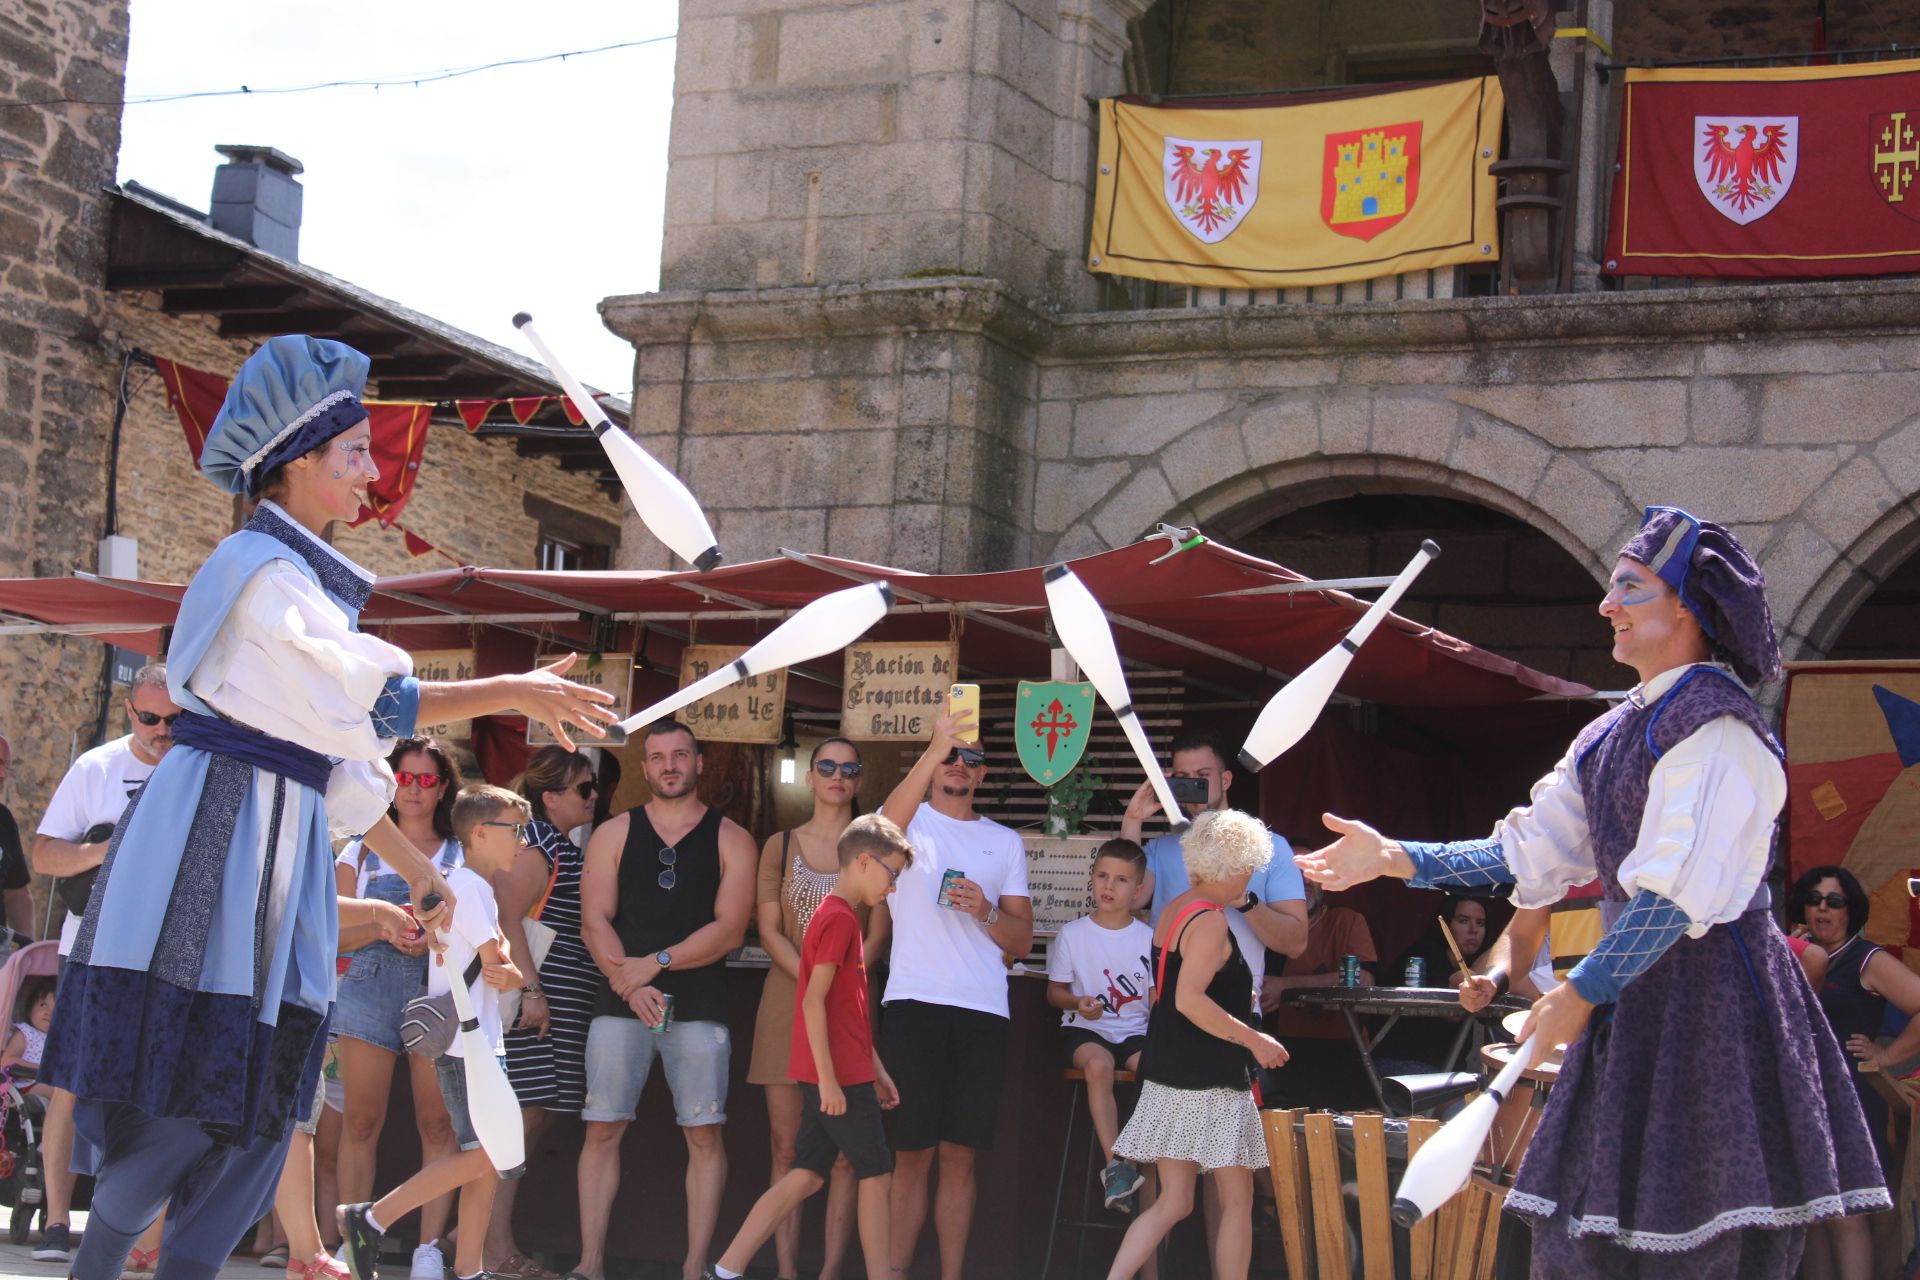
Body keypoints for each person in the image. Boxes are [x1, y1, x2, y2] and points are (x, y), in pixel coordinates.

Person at [38, 335, 616, 1280]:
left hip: (277, 829)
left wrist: (427, 875)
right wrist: (507, 686)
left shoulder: (299, 581)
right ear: (299, 461)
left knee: (265, 1094)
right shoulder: (258, 572)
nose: (371, 473)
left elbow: (344, 770)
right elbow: (369, 704)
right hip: (219, 833)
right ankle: (98, 1267)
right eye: (353, 452)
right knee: (196, 1085)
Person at [1296, 506, 1889, 1277]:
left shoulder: (1720, 733)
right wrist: (1396, 858)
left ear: (1688, 607)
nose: (1606, 604)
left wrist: (1583, 992)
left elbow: (1674, 900)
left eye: (1630, 588)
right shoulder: (1611, 735)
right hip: (1632, 1002)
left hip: (1713, 1007)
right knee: (1586, 1235)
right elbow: (1525, 850)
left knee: (1701, 1240)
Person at [577, 720, 756, 1280]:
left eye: (680, 755)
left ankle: (693, 1267)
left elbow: (729, 931)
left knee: (703, 1134)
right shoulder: (613, 833)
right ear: (645, 767)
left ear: (700, 763)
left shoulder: (732, 838)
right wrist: (631, 986)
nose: (669, 766)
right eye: (657, 757)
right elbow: (593, 922)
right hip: (619, 1006)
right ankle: (590, 1263)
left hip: (699, 1006)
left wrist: (654, 965)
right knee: (602, 1128)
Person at [705, 814, 912, 1280]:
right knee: (876, 1173)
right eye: (892, 874)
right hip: (837, 1076)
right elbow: (813, 1003)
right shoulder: (838, 920)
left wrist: (874, 1068)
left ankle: (726, 1268)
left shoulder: (838, 917)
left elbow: (849, 1011)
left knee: (807, 1174)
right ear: (863, 861)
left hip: (845, 1071)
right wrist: (828, 1082)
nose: (893, 887)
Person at [340, 786, 531, 1280]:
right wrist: (515, 975)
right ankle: (373, 1216)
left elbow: (499, 959)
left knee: (484, 1160)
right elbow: (499, 967)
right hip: (466, 1042)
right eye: (516, 831)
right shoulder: (467, 887)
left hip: (474, 1040)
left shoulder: (472, 887)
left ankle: (468, 1269)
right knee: (491, 1156)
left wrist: (508, 968)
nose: (522, 842)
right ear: (481, 833)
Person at [30, 662, 180, 1266]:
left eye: (175, 719)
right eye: (150, 718)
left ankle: (136, 1233)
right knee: (70, 1086)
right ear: (128, 712)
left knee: (150, 1096)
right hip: (89, 953)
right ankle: (57, 1218)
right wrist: (109, 848)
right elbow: (44, 855)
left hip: (167, 957)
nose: (162, 730)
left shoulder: (199, 770)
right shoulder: (96, 768)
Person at [877, 710, 1033, 1280]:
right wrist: (933, 747)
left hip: (983, 1009)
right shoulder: (907, 820)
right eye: (952, 757)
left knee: (960, 1157)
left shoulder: (1004, 841)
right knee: (910, 1154)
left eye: (972, 759)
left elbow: (1022, 940)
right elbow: (877, 837)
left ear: (985, 774)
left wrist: (985, 910)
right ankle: (892, 1272)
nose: (960, 767)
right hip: (914, 1003)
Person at [1103, 810, 1288, 1280]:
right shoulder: (1208, 921)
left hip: (1169, 1071)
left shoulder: (1177, 907)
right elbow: (1188, 1000)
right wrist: (1254, 1037)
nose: (1250, 875)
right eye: (1247, 864)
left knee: (1174, 1201)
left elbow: (1177, 991)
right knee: (1237, 1202)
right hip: (1211, 1080)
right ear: (1229, 865)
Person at [745, 738, 887, 1280]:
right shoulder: (780, 844)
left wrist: (839, 977)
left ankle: (829, 1271)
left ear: (858, 779)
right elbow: (767, 928)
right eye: (826, 765)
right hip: (788, 999)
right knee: (787, 1148)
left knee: (849, 1153)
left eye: (848, 768)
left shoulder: (871, 845)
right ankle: (785, 1271)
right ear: (808, 776)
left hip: (849, 1004)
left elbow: (878, 933)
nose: (837, 775)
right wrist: (813, 976)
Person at [333, 738, 467, 1280]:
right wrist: (386, 925)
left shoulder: (460, 853)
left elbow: (483, 930)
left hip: (435, 990)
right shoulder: (358, 852)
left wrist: (428, 939)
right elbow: (332, 931)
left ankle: (428, 1249)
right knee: (360, 1121)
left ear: (443, 787)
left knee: (437, 1123)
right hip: (367, 985)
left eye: (425, 779)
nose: (413, 790)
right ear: (390, 786)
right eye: (404, 779)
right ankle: (352, 1245)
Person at [487, 746, 601, 1280]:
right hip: (535, 1008)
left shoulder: (560, 843)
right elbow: (507, 918)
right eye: (584, 789)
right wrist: (533, 991)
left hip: (559, 1005)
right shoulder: (538, 844)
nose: (595, 796)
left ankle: (477, 1234)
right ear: (550, 798)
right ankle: (494, 1247)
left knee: (535, 1118)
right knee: (522, 1119)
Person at [1791, 864, 1920, 1280]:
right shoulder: (1792, 954)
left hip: (1852, 1100)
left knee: (1848, 1212)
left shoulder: (1865, 958)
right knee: (1812, 1215)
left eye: (1835, 901)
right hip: (1801, 1096)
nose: (1823, 909)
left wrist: (1886, 1055)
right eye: (1814, 900)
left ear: (1852, 910)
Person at [1046, 837, 1155, 1210]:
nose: (1109, 886)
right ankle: (1115, 1166)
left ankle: (1135, 1160)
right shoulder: (1073, 934)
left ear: (1138, 890)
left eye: (1122, 880)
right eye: (1103, 876)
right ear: (1091, 878)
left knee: (1154, 1069)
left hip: (1136, 1032)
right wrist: (1078, 1002)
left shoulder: (1149, 938)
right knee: (1098, 1065)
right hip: (1085, 1030)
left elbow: (1157, 999)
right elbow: (1054, 993)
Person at [1261, 881, 1378, 1110]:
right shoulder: (1257, 923)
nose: (1304, 881)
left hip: (1335, 1050)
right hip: (1269, 1051)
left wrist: (1286, 987)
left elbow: (1364, 979)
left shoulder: (1346, 921)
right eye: (1293, 873)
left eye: (1311, 874)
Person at [0, 733, 33, 937]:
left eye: (7, 766)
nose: (3, 774)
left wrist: (29, 956)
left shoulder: (3, 820)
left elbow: (17, 893)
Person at [1, 980, 55, 1086]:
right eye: (44, 1005)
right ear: (30, 1011)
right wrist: (41, 1069)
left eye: (57, 1010)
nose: (49, 1012)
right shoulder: (26, 1033)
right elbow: (6, 1061)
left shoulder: (62, 1042)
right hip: (24, 1085)